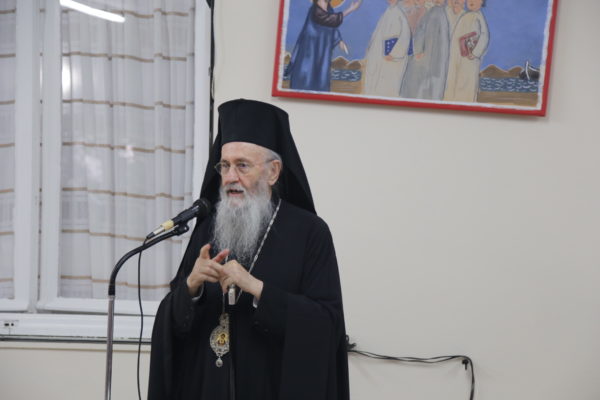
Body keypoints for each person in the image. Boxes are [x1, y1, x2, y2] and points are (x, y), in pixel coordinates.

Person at [148, 99, 349, 400]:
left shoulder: (310, 232)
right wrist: (191, 287)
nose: (230, 177)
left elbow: (325, 325)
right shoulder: (208, 227)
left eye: (242, 165)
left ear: (273, 172)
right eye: (225, 165)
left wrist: (256, 288)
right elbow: (173, 324)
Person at [288, 0, 362, 92]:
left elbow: (332, 27)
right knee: (306, 78)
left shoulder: (330, 10)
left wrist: (339, 41)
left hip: (323, 54)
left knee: (321, 79)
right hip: (309, 54)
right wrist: (350, 9)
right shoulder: (315, 11)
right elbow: (329, 19)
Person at [399, 0, 450, 100]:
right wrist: (417, 50)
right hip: (428, 62)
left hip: (429, 62)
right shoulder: (434, 12)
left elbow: (425, 36)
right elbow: (421, 33)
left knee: (423, 89)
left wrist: (418, 51)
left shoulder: (437, 13)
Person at [443, 0, 489, 102]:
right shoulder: (465, 15)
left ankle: (465, 102)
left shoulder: (478, 17)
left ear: (482, 2)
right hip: (456, 56)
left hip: (469, 59)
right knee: (453, 80)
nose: (471, 1)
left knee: (467, 83)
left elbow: (485, 37)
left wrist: (475, 53)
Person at [363, 0, 411, 97]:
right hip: (380, 57)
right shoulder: (388, 12)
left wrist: (392, 54)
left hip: (389, 60)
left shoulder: (398, 14)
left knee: (386, 88)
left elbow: (403, 38)